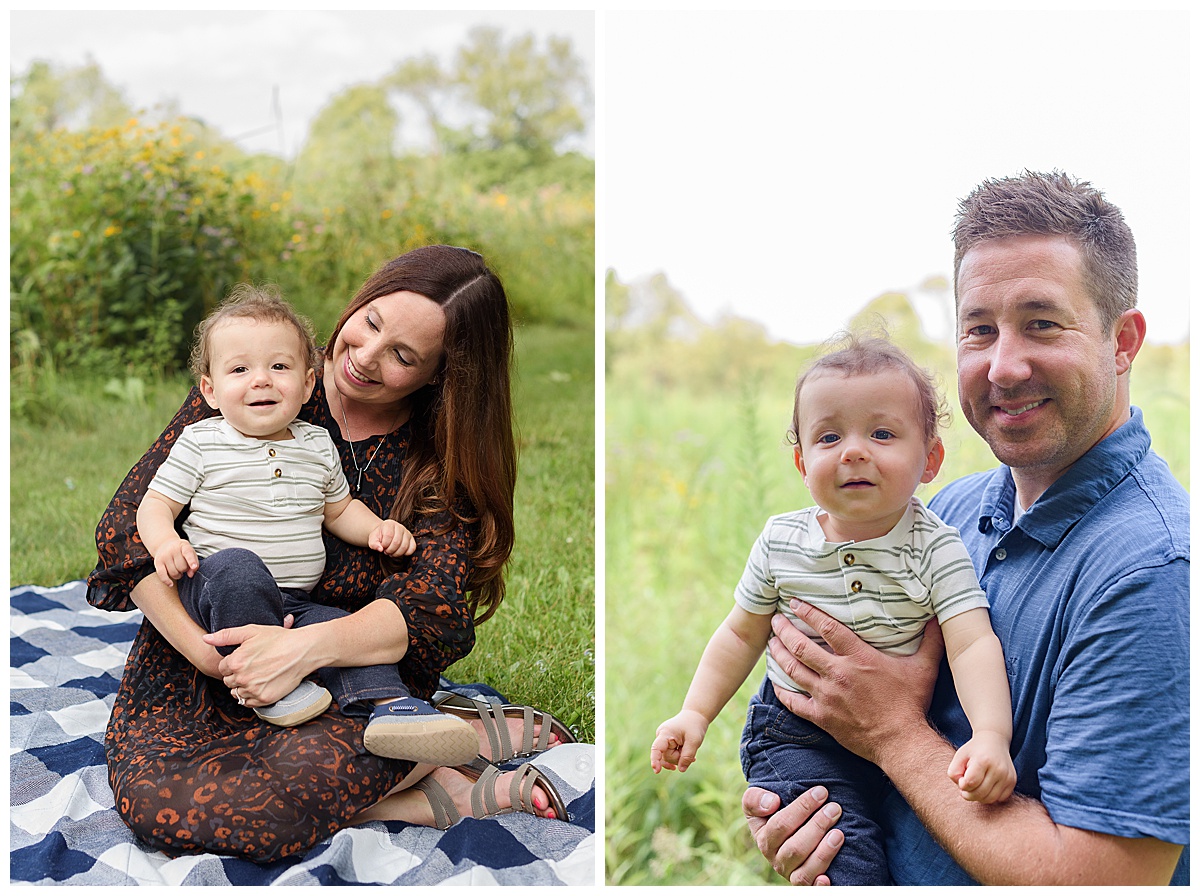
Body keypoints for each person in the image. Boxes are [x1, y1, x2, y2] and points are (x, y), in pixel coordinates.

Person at [742, 171, 1189, 885]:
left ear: (1123, 341)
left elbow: (1104, 879)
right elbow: (868, 734)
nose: (1003, 366)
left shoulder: (1151, 570)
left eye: (1042, 323)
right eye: (979, 329)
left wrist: (890, 734)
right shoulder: (946, 513)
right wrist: (815, 808)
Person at [87, 246, 575, 862]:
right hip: (208, 656)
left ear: (441, 376)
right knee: (163, 806)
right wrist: (215, 661)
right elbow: (126, 533)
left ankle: (435, 755)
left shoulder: (440, 459)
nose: (366, 358)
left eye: (402, 356)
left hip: (346, 674)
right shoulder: (259, 369)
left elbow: (429, 608)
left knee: (290, 788)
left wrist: (298, 650)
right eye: (370, 324)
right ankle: (429, 780)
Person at [651, 335, 1016, 885]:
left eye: (883, 433)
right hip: (795, 733)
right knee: (844, 859)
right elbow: (739, 634)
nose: (853, 451)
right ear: (802, 462)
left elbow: (971, 642)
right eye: (828, 436)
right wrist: (694, 713)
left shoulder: (937, 546)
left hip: (904, 732)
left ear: (931, 459)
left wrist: (990, 735)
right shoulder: (781, 540)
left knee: (915, 844)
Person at [135, 285, 480, 766]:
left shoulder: (316, 444)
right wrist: (166, 541)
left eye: (279, 367)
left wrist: (379, 529)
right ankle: (276, 688)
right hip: (214, 587)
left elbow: (338, 511)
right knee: (239, 566)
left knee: (341, 627)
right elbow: (152, 504)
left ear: (308, 384)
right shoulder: (202, 440)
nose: (261, 381)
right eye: (240, 370)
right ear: (209, 390)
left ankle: (392, 707)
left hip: (296, 600)